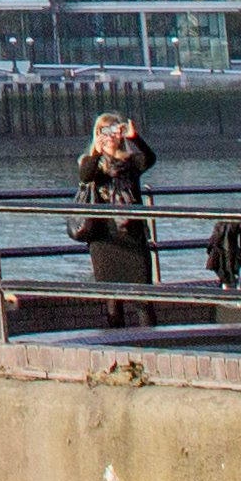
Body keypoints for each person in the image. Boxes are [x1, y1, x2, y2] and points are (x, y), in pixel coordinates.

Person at [71, 110, 159, 324]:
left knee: (143, 299)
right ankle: (117, 346)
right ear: (97, 133)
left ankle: (151, 344)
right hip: (104, 238)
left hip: (132, 235)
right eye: (105, 130)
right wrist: (99, 151)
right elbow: (86, 175)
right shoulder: (90, 162)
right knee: (112, 300)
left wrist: (134, 137)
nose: (110, 135)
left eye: (114, 130)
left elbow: (150, 159)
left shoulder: (130, 162)